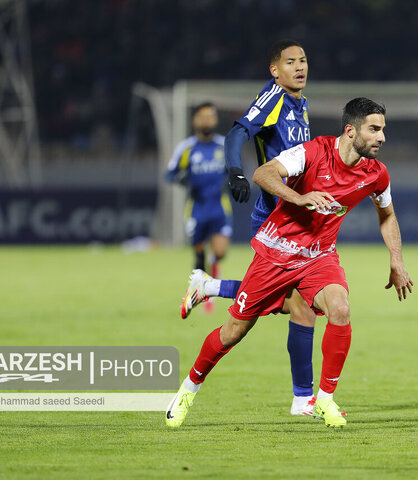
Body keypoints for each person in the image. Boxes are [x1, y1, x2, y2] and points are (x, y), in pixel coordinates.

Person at [166, 97, 413, 429]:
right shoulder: (312, 153)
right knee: (233, 331)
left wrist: (396, 260)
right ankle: (188, 389)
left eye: (383, 130)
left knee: (339, 308)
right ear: (351, 131)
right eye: (375, 129)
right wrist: (300, 197)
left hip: (319, 256)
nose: (382, 137)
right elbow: (263, 173)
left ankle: (322, 399)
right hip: (276, 252)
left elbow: (387, 215)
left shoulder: (376, 175)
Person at [180, 39, 323, 416]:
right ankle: (301, 398)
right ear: (274, 70)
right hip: (277, 217)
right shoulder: (274, 96)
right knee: (285, 309)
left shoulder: (300, 104)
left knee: (292, 304)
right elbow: (238, 133)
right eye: (290, 62)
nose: (299, 66)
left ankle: (208, 287)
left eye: (303, 60)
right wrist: (235, 171)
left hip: (297, 218)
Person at [165, 102, 232, 299]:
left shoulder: (224, 145)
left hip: (220, 207)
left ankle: (210, 270)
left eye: (210, 116)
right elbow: (170, 173)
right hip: (196, 208)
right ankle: (200, 289)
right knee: (199, 252)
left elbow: (236, 169)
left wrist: (232, 181)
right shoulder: (187, 148)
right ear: (195, 120)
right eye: (202, 116)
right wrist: (181, 179)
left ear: (216, 120)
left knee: (220, 251)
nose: (206, 120)